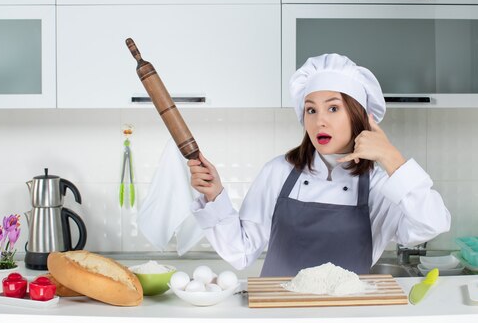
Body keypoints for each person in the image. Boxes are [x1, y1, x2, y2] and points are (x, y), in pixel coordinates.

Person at [187, 53, 451, 277]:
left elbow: (432, 224)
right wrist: (214, 196)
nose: (319, 121)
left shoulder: (380, 186)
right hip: (281, 315)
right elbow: (240, 251)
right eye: (311, 110)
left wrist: (393, 160)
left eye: (333, 108)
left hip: (346, 316)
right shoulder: (278, 172)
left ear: (358, 116)